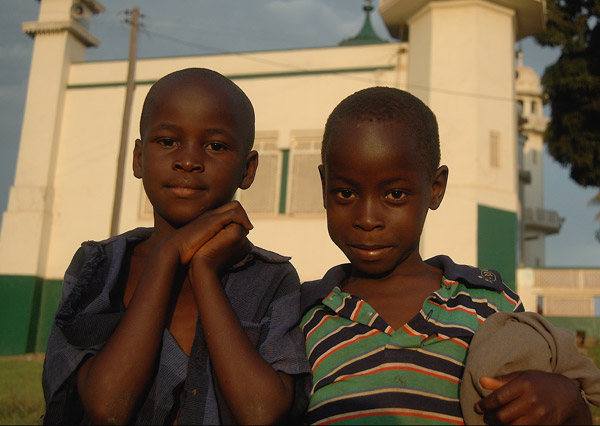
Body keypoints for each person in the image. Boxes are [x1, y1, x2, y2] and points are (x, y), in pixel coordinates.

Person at [299, 86, 592, 425]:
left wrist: (570, 404)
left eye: (395, 194)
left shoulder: (490, 309)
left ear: (435, 189)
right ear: (324, 187)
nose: (367, 219)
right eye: (345, 193)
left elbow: (541, 408)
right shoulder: (302, 316)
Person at [42, 68, 310, 425]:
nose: (188, 161)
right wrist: (167, 256)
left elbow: (261, 413)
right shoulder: (99, 267)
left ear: (248, 170)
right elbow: (108, 408)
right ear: (138, 158)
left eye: (215, 146)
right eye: (167, 141)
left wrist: (204, 273)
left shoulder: (272, 280)